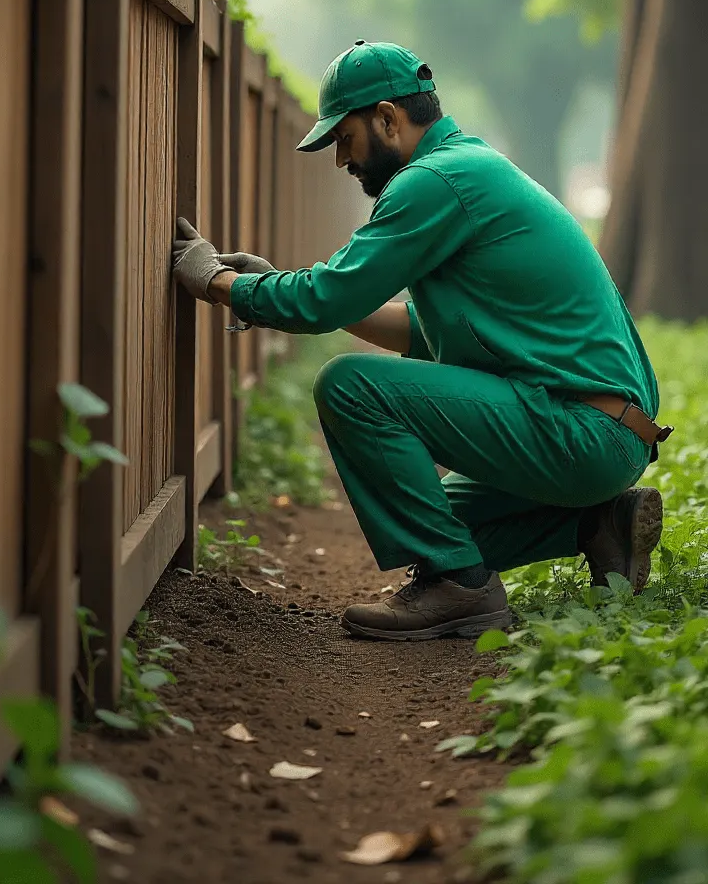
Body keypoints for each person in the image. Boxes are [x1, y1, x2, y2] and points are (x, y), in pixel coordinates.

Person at [172, 40, 671, 641]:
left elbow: (326, 298)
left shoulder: (434, 181)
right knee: (435, 520)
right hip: (606, 431)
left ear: (387, 118)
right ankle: (600, 525)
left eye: (344, 139)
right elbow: (410, 326)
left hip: (583, 427)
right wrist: (268, 284)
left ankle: (460, 589)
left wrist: (216, 282)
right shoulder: (464, 169)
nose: (340, 160)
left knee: (349, 385)